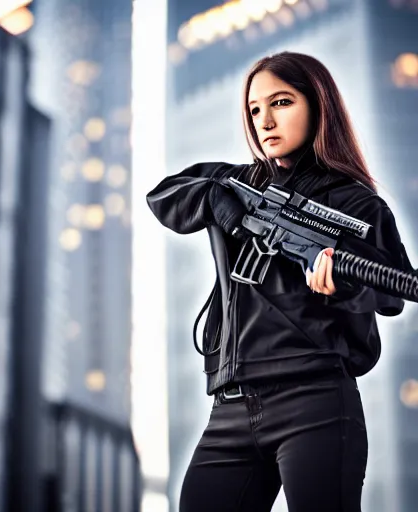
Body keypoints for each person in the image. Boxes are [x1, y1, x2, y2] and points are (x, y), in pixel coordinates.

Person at [146, 52, 414, 512]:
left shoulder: (356, 205)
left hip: (314, 403)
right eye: (254, 109)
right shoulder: (236, 182)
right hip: (230, 407)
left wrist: (343, 287)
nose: (265, 120)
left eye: (282, 102)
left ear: (317, 105)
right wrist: (217, 199)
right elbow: (163, 196)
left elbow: (392, 291)